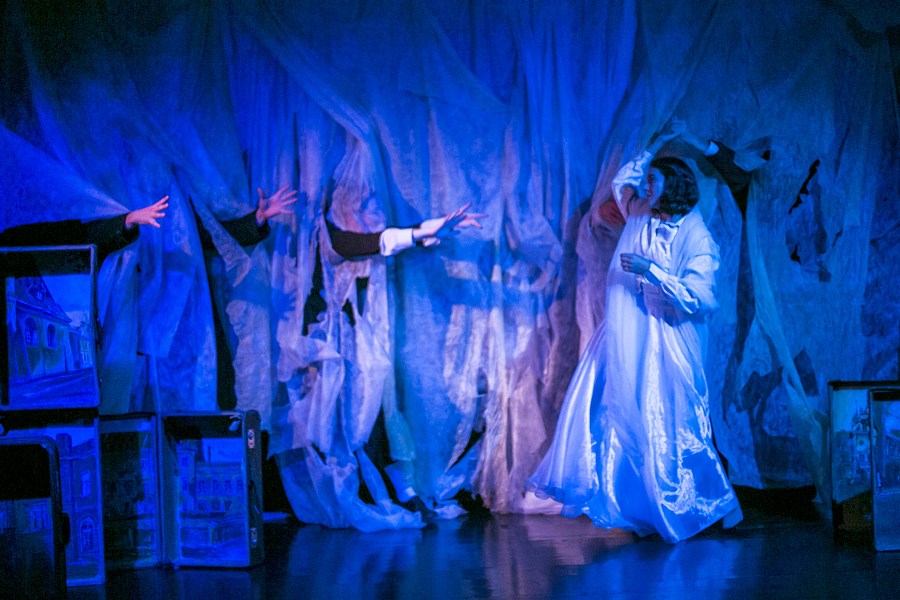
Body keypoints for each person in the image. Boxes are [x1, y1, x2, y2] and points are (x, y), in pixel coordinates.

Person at [527, 125, 741, 542]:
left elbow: (700, 297)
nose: (645, 187)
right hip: (628, 332)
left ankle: (703, 504)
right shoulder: (640, 210)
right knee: (621, 412)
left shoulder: (696, 234)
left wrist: (653, 272)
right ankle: (639, 505)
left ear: (673, 185)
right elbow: (623, 180)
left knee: (674, 418)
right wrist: (653, 146)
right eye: (648, 181)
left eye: (654, 181)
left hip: (667, 336)